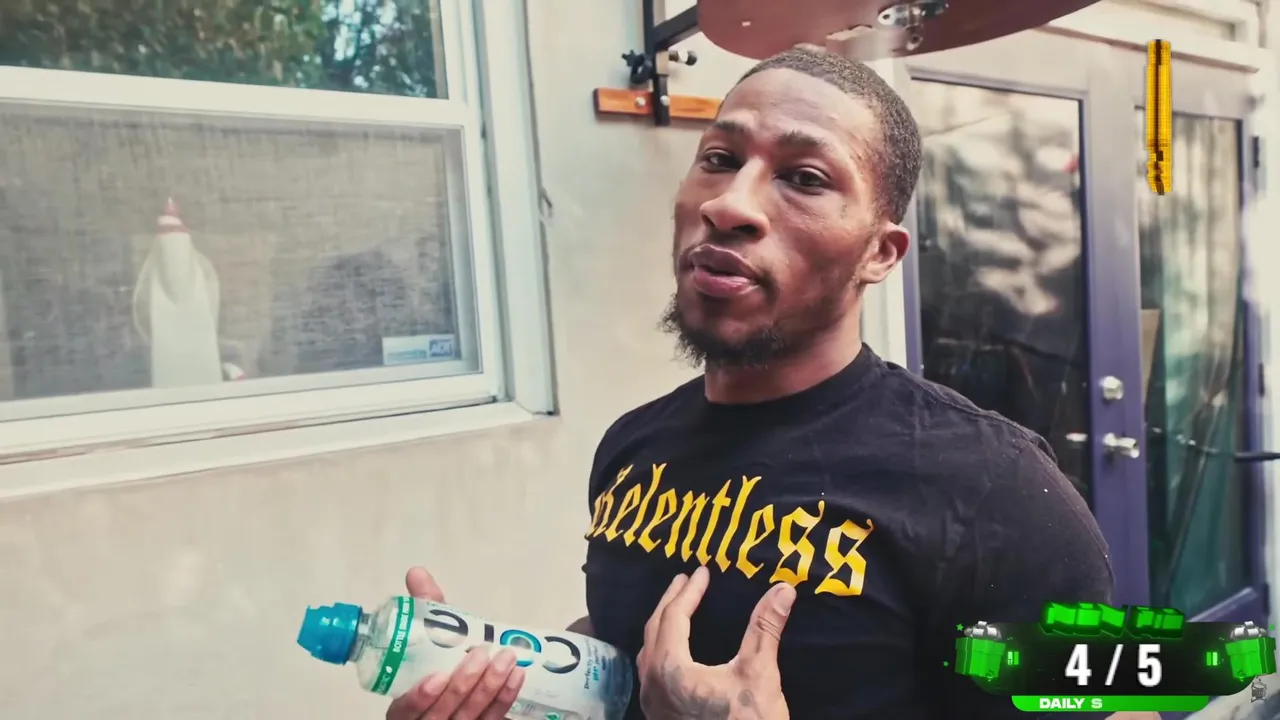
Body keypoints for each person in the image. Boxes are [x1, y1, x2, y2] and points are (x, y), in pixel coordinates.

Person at [386, 45, 1136, 720]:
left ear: (879, 253)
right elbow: (623, 653)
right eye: (719, 158)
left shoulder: (995, 492)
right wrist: (505, 684)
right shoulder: (633, 446)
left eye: (804, 178)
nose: (730, 204)